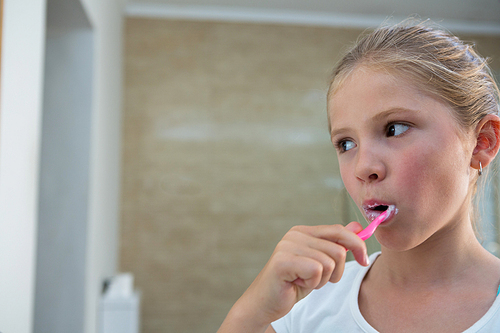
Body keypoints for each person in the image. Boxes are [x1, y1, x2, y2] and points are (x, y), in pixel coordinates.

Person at [218, 19, 500, 333]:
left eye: (394, 129)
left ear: (482, 142)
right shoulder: (303, 309)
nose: (362, 168)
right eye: (346, 144)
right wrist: (250, 314)